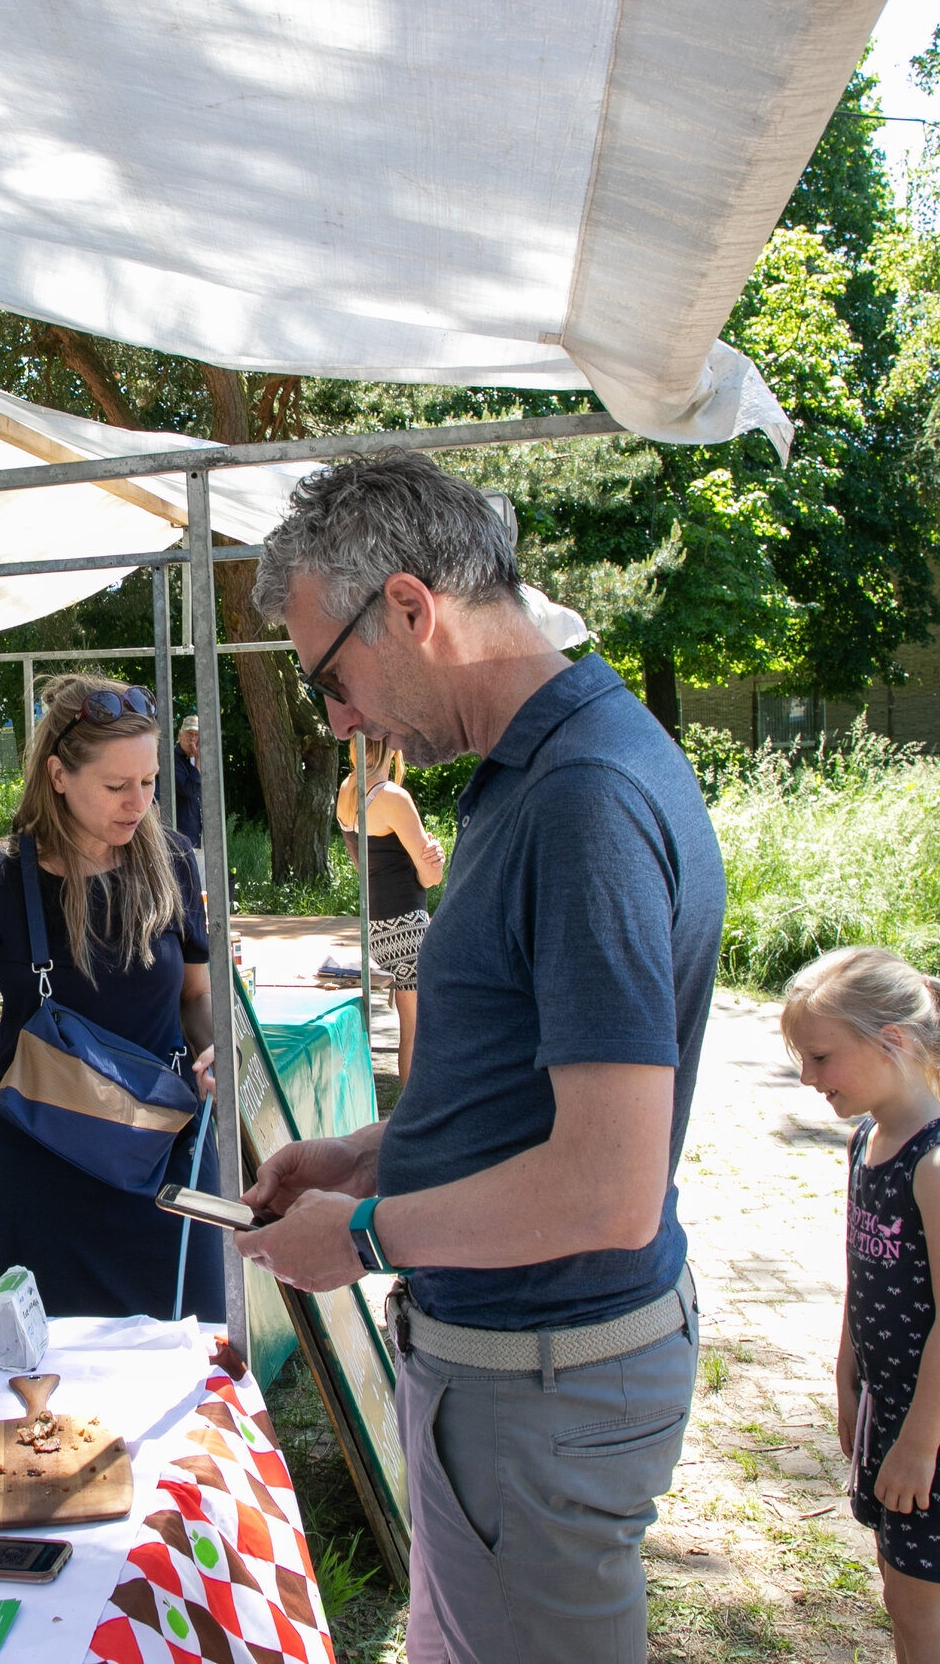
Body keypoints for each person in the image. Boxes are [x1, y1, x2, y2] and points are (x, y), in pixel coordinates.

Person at [236, 453, 721, 1664]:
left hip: (541, 1382)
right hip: (513, 1376)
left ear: (410, 607)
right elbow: (521, 1097)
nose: (339, 720)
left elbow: (605, 1189)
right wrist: (365, 1150)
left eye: (330, 680)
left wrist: (359, 1235)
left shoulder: (582, 796)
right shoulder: (530, 768)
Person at [0, 674, 222, 1320]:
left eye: (148, 782)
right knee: (48, 1382)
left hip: (165, 1160)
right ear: (58, 774)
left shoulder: (173, 862)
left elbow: (196, 998)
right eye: (116, 786)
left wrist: (216, 1046)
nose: (137, 802)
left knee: (181, 1359)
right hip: (43, 1174)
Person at [782, 947, 940, 1664]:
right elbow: (865, 1277)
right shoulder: (868, 1139)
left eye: (821, 1056)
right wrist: (846, 1378)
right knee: (901, 1595)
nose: (808, 1076)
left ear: (892, 1043)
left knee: (919, 1608)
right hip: (897, 1404)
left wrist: (918, 1445)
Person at [337, 737, 445, 1085]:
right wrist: (436, 860)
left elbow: (364, 863)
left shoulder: (347, 789)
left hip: (375, 925)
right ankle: (416, 1110)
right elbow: (431, 878)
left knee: (408, 1026)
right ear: (393, 744)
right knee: (417, 1029)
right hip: (407, 924)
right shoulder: (394, 798)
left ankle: (408, 1109)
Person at [173, 716, 202, 846]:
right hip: (181, 834)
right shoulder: (173, 759)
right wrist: (198, 761)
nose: (193, 739)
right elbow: (189, 791)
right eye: (189, 734)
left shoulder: (196, 760)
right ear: (180, 735)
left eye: (196, 735)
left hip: (198, 832)